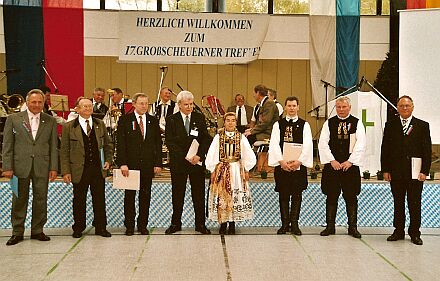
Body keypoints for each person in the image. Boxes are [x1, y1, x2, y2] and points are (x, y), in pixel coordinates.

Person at [2, 89, 58, 246]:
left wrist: (54, 167)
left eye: (40, 102)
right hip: (20, 166)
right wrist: (7, 166)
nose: (37, 105)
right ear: (27, 103)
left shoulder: (50, 120)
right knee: (19, 200)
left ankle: (37, 230)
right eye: (34, 102)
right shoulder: (13, 119)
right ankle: (17, 232)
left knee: (41, 199)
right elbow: (7, 145)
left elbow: (54, 146)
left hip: (42, 166)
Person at [381, 95, 431, 245]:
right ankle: (398, 231)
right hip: (396, 172)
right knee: (398, 203)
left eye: (407, 106)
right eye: (401, 106)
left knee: (414, 203)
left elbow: (427, 150)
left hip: (415, 172)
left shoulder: (422, 126)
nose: (404, 108)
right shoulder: (390, 125)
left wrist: (425, 171)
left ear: (412, 107)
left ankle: (415, 233)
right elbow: (385, 149)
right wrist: (385, 169)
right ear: (397, 108)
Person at [60, 97, 112, 238]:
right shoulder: (69, 127)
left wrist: (108, 160)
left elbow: (107, 145)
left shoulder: (100, 124)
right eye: (85, 106)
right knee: (79, 200)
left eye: (90, 106)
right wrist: (65, 171)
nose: (88, 109)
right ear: (77, 109)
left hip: (97, 169)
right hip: (78, 170)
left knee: (99, 200)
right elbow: (64, 151)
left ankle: (101, 227)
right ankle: (78, 227)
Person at [164, 90, 212, 235]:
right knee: (177, 195)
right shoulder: (172, 119)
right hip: (179, 163)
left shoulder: (199, 117)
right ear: (179, 105)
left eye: (191, 104)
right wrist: (185, 156)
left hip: (196, 163)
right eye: (186, 104)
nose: (189, 107)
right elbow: (170, 142)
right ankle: (175, 223)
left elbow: (206, 138)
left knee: (198, 195)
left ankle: (200, 224)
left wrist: (199, 156)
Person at [318, 96, 366, 238]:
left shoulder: (357, 123)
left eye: (344, 107)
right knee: (331, 196)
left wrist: (350, 161)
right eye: (338, 107)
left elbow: (361, 144)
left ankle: (352, 227)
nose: (341, 110)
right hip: (332, 167)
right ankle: (330, 227)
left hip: (349, 167)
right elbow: (323, 143)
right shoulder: (329, 123)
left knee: (351, 197)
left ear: (349, 108)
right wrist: (332, 160)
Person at [116, 93, 162, 236]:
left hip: (147, 166)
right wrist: (122, 163)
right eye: (141, 103)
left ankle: (143, 224)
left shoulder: (153, 121)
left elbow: (157, 144)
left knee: (145, 196)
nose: (144, 106)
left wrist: (157, 163)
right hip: (130, 166)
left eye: (146, 103)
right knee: (129, 197)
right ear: (134, 104)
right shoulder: (125, 120)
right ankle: (129, 225)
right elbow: (121, 143)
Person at [268, 96, 313, 235]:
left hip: (298, 166)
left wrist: (299, 161)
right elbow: (274, 144)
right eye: (289, 106)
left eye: (294, 105)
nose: (292, 108)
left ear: (298, 107)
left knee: (297, 195)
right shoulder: (278, 124)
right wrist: (281, 162)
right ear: (285, 107)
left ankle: (294, 224)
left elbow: (308, 145)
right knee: (283, 195)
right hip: (282, 166)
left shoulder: (305, 125)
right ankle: (284, 224)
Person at [205, 112, 256, 234]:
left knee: (234, 194)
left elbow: (247, 153)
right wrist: (212, 169)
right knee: (222, 194)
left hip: (236, 169)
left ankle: (232, 222)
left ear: (236, 123)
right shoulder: (219, 137)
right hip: (222, 168)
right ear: (225, 122)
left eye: (233, 120)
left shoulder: (241, 137)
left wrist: (246, 169)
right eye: (228, 120)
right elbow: (212, 153)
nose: (230, 123)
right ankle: (223, 222)